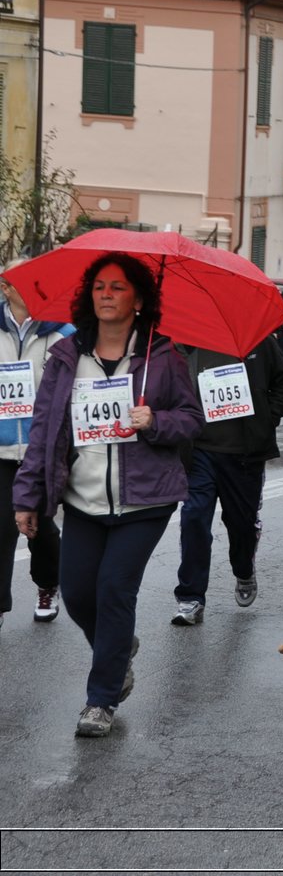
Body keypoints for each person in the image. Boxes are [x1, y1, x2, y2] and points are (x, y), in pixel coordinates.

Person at [13, 254, 203, 738]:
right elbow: (44, 431)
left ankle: (101, 699)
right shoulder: (67, 357)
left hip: (145, 501)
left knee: (115, 588)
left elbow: (191, 419)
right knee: (76, 592)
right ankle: (117, 650)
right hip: (82, 497)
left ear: (138, 300)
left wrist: (155, 422)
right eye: (99, 286)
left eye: (118, 288)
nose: (106, 294)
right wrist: (28, 494)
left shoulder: (162, 356)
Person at [170, 335, 283, 625]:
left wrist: (268, 418)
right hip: (198, 451)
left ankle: (243, 570)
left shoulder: (256, 340)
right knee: (193, 518)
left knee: (241, 524)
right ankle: (190, 597)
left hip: (243, 454)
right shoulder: (184, 341)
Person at [0, 262, 73, 628]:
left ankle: (47, 584)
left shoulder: (61, 332)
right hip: (0, 450)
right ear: (6, 288)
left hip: (40, 449)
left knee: (40, 529)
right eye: (25, 283)